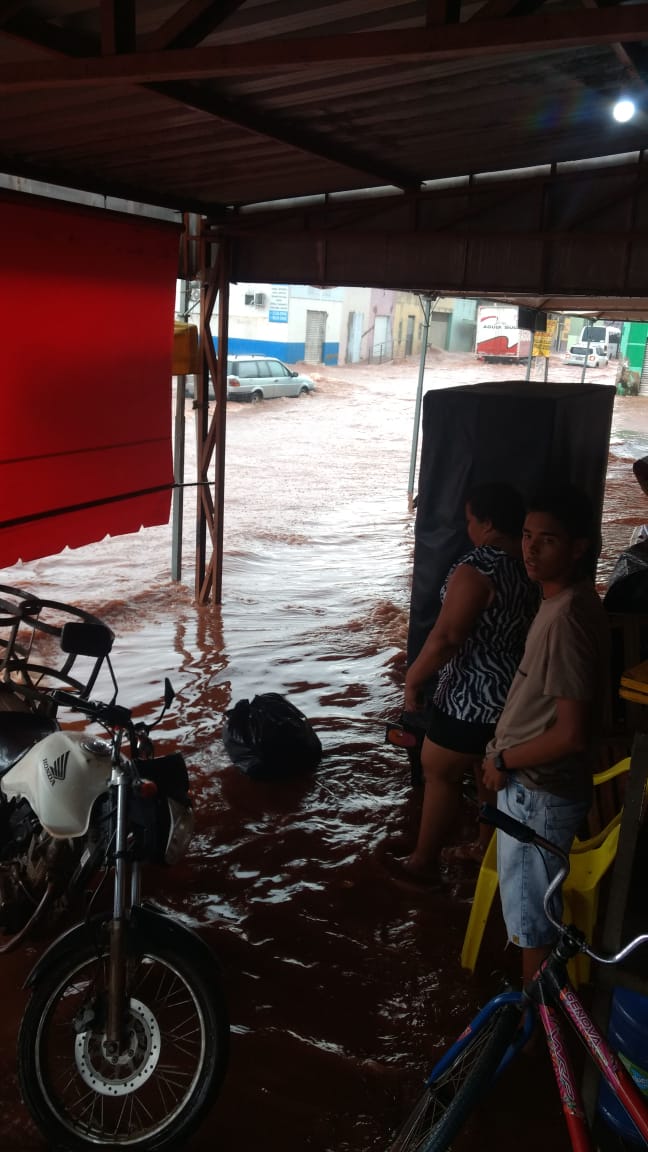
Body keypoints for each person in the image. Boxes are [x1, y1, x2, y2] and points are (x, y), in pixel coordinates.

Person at [481, 484, 610, 985]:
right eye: (527, 535)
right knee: (533, 916)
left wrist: (503, 760)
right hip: (538, 789)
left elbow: (570, 734)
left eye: (548, 540)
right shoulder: (564, 602)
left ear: (578, 547)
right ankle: (541, 1013)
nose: (531, 549)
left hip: (537, 793)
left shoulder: (568, 619)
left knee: (532, 925)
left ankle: (538, 1024)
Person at [389, 482, 537, 889]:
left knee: (439, 771)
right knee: (486, 771)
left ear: (487, 524)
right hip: (514, 695)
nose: (467, 528)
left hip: (470, 698)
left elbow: (447, 637)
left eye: (470, 520)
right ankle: (485, 849)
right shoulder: (529, 564)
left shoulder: (477, 569)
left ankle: (422, 864)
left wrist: (413, 679)